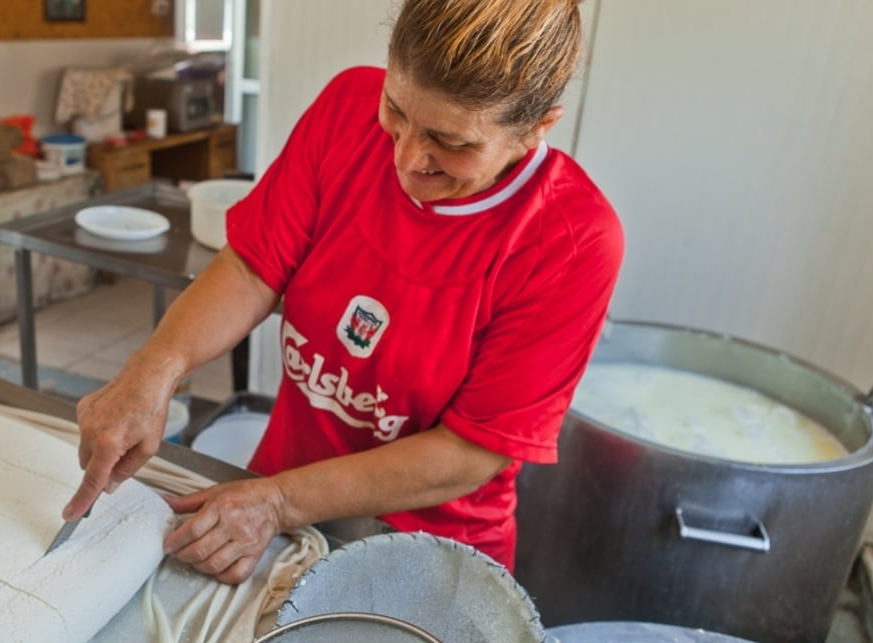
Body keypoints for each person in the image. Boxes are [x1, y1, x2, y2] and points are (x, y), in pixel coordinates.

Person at [64, 0, 624, 584]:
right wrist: (155, 366)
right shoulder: (345, 109)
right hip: (277, 496)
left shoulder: (571, 241)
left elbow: (470, 450)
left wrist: (280, 502)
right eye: (396, 110)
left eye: (449, 140)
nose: (406, 157)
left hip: (424, 550)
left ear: (538, 128)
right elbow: (255, 268)